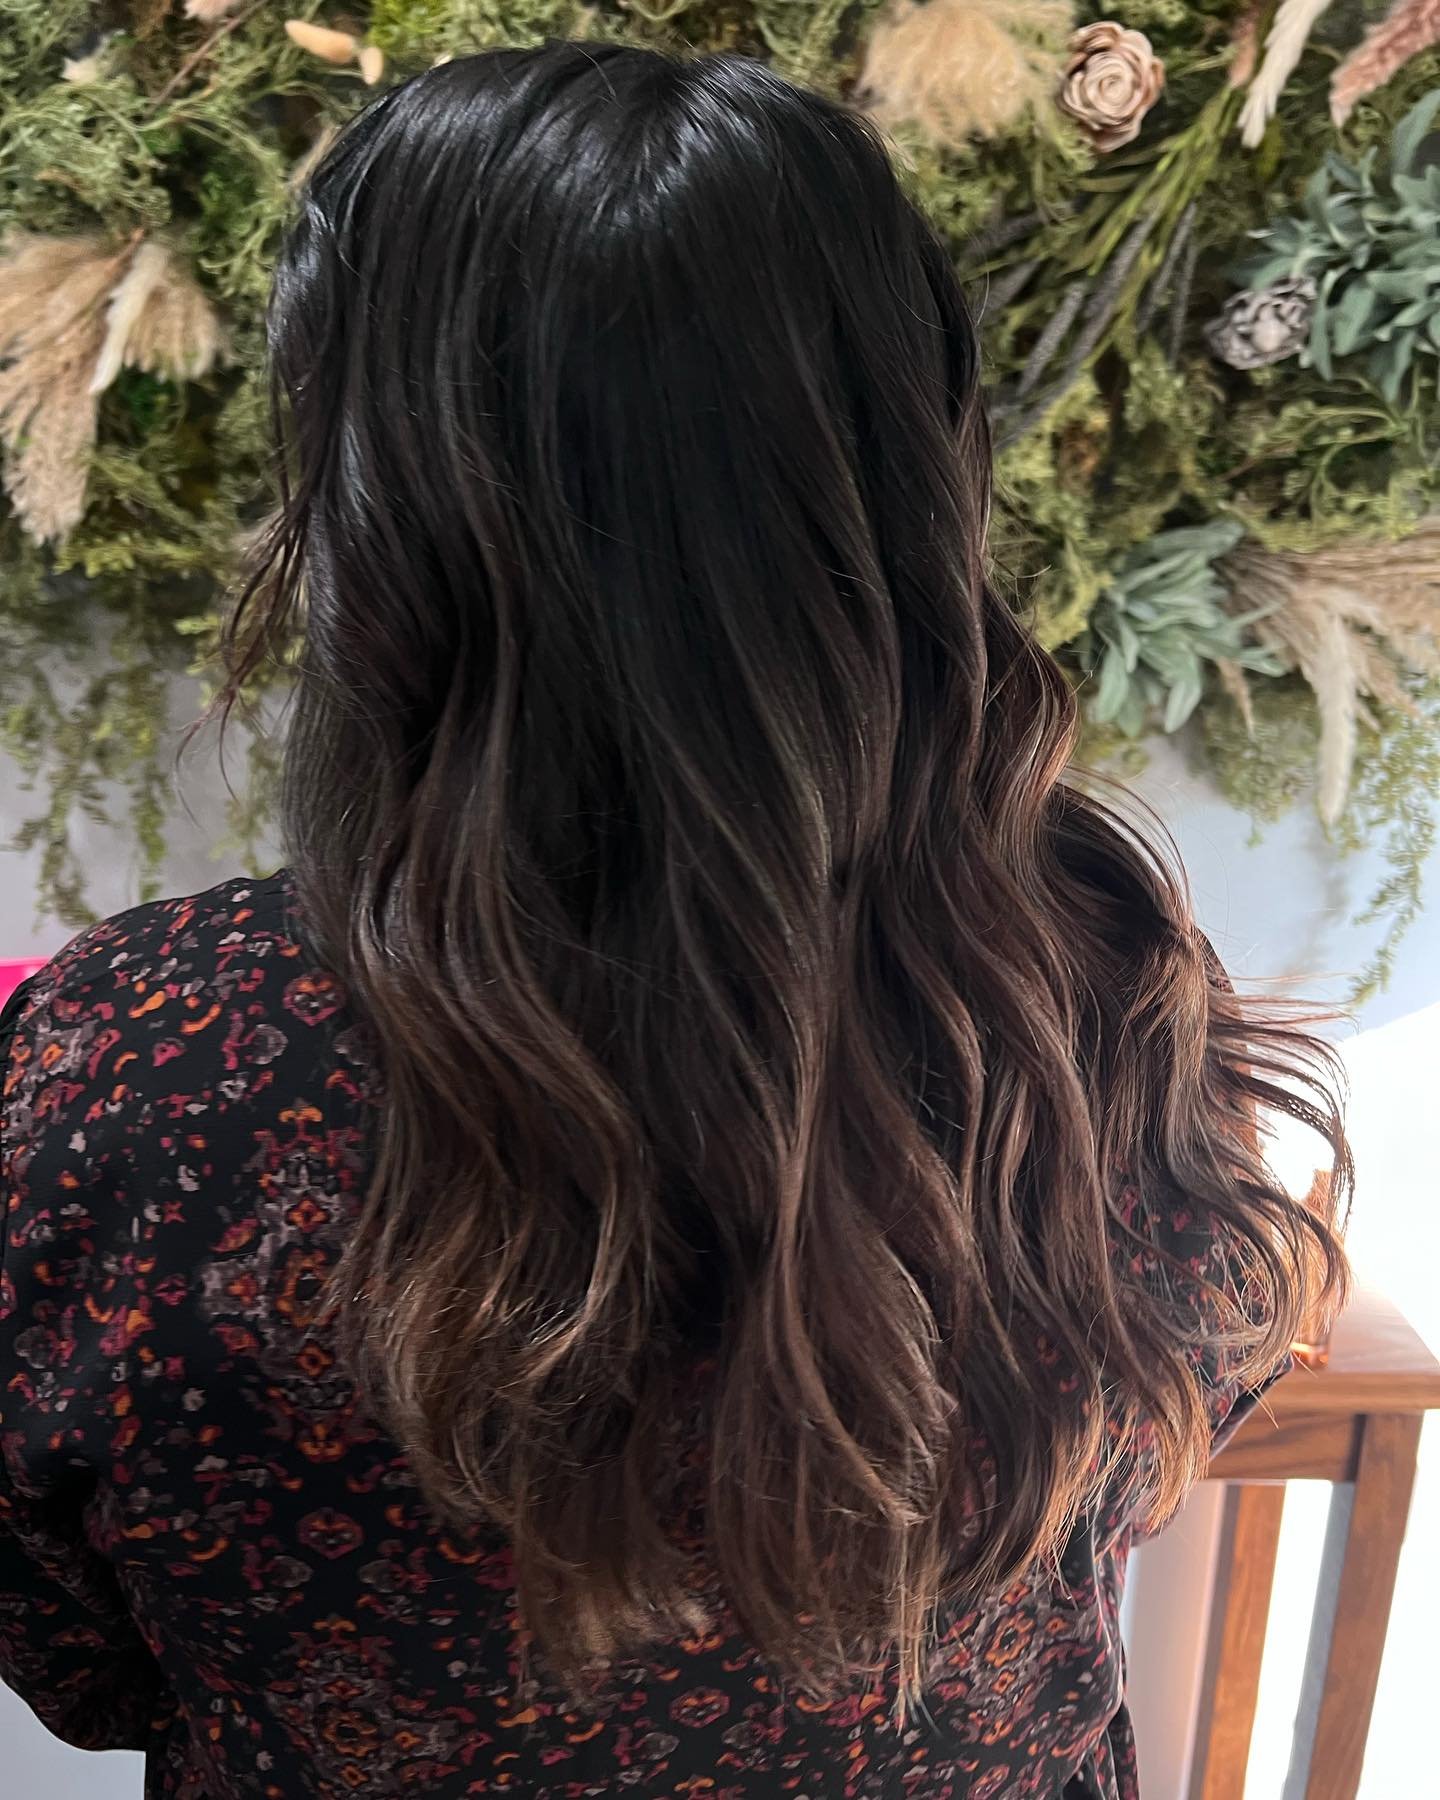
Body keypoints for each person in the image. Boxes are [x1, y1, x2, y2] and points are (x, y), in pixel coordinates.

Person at [0, 44, 1348, 1800]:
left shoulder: (141, 1071)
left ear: (366, 495)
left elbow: (77, 1656)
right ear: (906, 466)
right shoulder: (1088, 986)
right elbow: (1150, 1453)